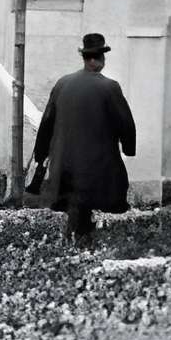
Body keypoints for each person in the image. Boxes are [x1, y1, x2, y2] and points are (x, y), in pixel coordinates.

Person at [30, 32, 136, 246]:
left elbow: (47, 122)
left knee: (74, 202)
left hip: (64, 165)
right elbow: (125, 123)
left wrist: (41, 154)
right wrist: (128, 147)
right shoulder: (109, 87)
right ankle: (83, 238)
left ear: (86, 58)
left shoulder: (62, 84)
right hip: (96, 166)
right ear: (102, 59)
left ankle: (76, 236)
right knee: (96, 194)